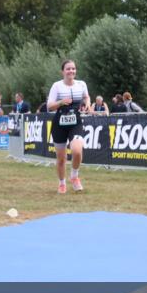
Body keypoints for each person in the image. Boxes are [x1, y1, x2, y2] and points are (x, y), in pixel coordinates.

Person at [47, 59, 90, 194]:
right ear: (63, 71)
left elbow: (87, 97)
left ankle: (74, 176)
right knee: (61, 158)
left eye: (73, 68)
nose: (71, 71)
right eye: (68, 69)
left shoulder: (81, 84)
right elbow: (49, 106)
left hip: (75, 123)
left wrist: (88, 104)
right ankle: (61, 183)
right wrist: (61, 102)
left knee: (77, 150)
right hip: (59, 124)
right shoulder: (57, 86)